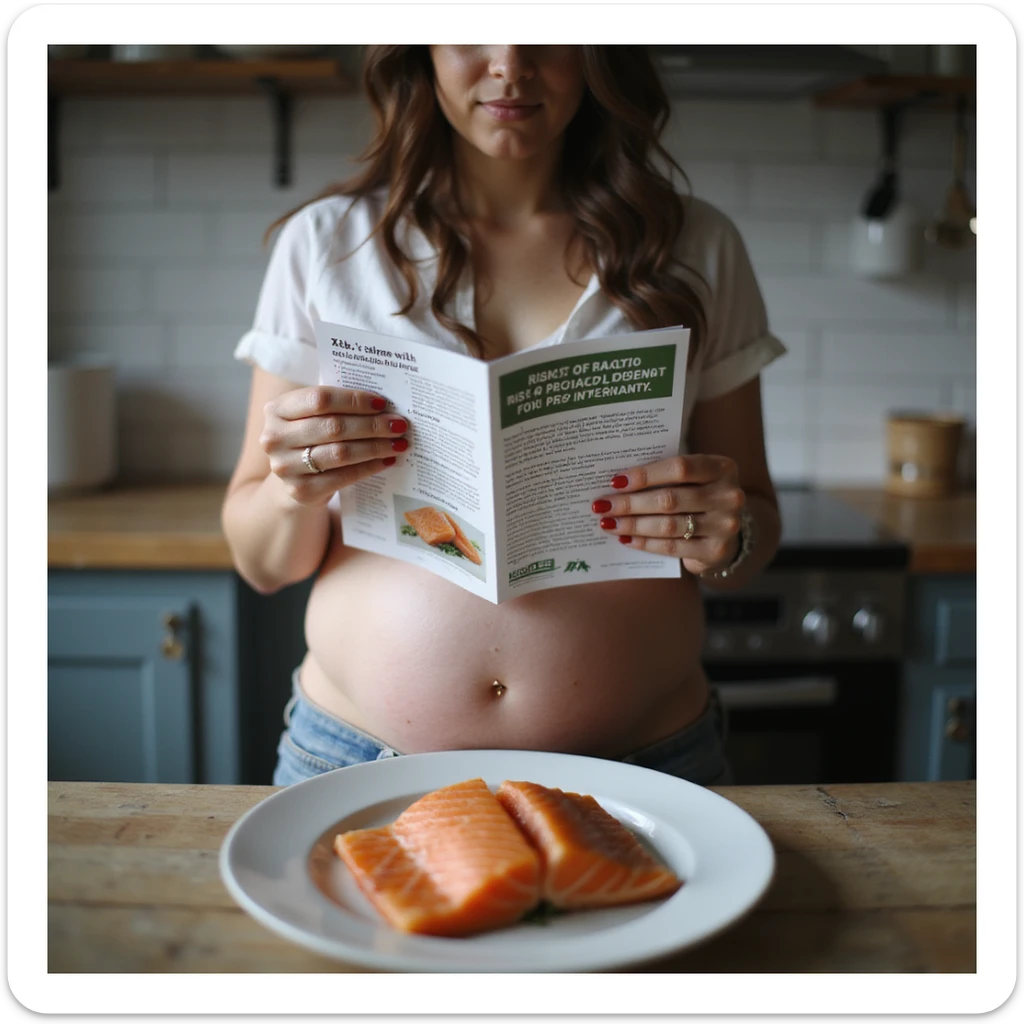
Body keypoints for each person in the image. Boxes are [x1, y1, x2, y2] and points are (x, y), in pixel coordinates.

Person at [222, 44, 785, 787]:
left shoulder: (696, 246)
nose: (510, 65)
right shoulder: (327, 246)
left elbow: (757, 530)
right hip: (357, 760)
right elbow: (263, 563)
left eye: (545, 30)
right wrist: (295, 486)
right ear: (420, 46)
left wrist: (728, 534)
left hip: (646, 765)